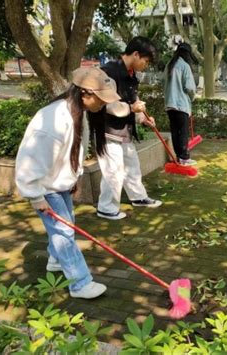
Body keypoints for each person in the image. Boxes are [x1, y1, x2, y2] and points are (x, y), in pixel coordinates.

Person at [15, 67, 122, 299]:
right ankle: (80, 283)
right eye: (101, 99)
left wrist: (76, 176)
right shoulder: (53, 121)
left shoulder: (77, 111)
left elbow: (74, 150)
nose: (103, 105)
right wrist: (35, 196)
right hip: (45, 187)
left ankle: (55, 260)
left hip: (59, 182)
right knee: (64, 231)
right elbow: (29, 161)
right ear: (86, 93)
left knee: (67, 224)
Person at [89, 36, 162, 221]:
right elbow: (105, 105)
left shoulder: (130, 76)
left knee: (132, 166)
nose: (146, 65)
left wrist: (142, 118)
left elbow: (133, 101)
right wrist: (131, 108)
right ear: (136, 54)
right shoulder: (109, 72)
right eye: (145, 61)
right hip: (107, 130)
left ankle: (138, 197)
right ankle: (106, 208)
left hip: (124, 130)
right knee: (113, 171)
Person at [163, 42, 197, 166]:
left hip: (169, 104)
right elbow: (190, 87)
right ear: (187, 54)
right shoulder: (184, 66)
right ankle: (184, 158)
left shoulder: (169, 65)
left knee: (175, 131)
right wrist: (192, 98)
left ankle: (179, 157)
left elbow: (164, 84)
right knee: (183, 132)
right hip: (181, 105)